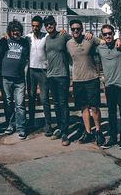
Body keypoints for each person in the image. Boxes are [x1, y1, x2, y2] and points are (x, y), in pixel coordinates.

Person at [66, 19, 106, 147]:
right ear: (70, 30)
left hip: (92, 78)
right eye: (73, 29)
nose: (76, 31)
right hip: (78, 80)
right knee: (83, 108)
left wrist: (93, 35)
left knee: (94, 107)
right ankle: (88, 132)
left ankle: (98, 131)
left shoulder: (90, 39)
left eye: (78, 29)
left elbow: (104, 42)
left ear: (82, 29)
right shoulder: (68, 43)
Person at [96, 24, 121, 150]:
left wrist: (119, 39)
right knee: (111, 114)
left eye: (110, 33)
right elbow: (89, 42)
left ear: (113, 34)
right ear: (102, 36)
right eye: (105, 34)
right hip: (109, 85)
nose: (108, 36)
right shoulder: (100, 48)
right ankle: (113, 138)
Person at [44, 15, 72, 146]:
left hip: (62, 75)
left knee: (63, 103)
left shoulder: (63, 36)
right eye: (47, 24)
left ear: (55, 24)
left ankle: (65, 132)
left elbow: (76, 40)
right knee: (56, 103)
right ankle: (60, 128)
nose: (49, 26)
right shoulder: (46, 39)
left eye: (51, 24)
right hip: (50, 76)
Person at [0, 19, 29, 140]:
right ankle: (10, 125)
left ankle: (21, 128)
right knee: (8, 103)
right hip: (5, 77)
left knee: (20, 104)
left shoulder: (25, 43)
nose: (16, 33)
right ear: (10, 32)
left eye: (18, 31)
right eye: (13, 31)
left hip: (19, 79)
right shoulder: (4, 41)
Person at [26, 15, 52, 136]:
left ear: (41, 26)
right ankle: (31, 122)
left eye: (37, 26)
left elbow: (56, 36)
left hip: (43, 71)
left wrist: (62, 31)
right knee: (31, 97)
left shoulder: (46, 36)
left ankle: (48, 124)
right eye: (33, 26)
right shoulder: (27, 37)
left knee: (44, 98)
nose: (35, 28)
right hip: (31, 70)